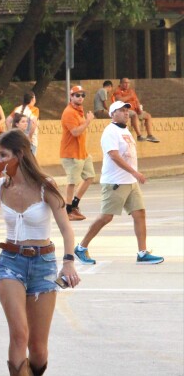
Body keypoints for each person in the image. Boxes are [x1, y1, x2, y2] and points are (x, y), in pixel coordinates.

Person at [0, 130, 81, 376]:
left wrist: (68, 263)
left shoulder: (46, 186)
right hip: (10, 264)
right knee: (19, 334)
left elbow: (66, 228)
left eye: (2, 155)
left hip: (44, 265)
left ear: (20, 154)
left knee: (38, 348)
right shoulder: (1, 187)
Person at [73, 101, 164, 266]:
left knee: (140, 213)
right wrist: (135, 173)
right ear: (113, 114)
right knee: (106, 217)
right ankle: (81, 247)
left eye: (127, 110)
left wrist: (133, 176)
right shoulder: (110, 132)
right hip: (115, 182)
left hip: (129, 182)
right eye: (122, 110)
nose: (126, 113)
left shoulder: (126, 131)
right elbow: (114, 156)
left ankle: (142, 253)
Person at [59, 85, 95, 221]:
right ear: (71, 96)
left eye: (82, 95)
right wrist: (88, 121)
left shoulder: (79, 111)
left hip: (82, 152)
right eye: (77, 95)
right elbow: (75, 132)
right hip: (71, 153)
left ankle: (74, 204)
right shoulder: (69, 112)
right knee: (72, 181)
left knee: (90, 177)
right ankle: (68, 210)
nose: (80, 98)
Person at [113, 78, 159, 142]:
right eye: (125, 83)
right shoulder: (117, 90)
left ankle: (150, 135)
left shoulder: (131, 91)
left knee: (148, 115)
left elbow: (136, 100)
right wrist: (129, 96)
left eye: (128, 83)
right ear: (120, 84)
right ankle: (139, 136)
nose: (127, 84)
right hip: (125, 110)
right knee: (134, 114)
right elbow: (119, 100)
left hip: (135, 109)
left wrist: (139, 109)